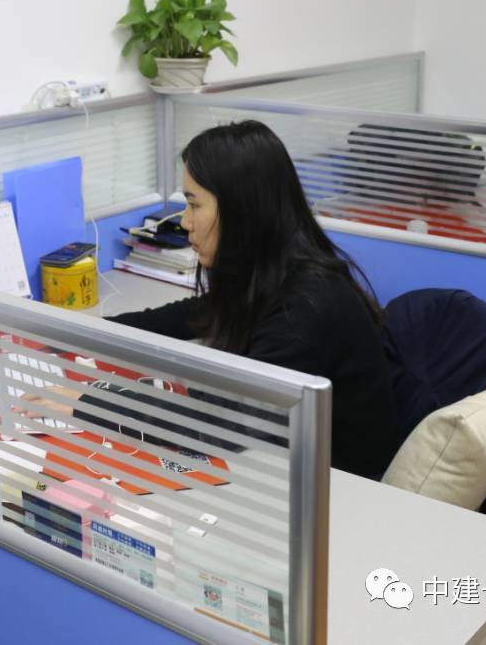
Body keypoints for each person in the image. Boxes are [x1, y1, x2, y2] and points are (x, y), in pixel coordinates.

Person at [103, 120, 401, 480]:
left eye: (194, 205)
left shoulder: (306, 304)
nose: (185, 222)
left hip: (336, 491)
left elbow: (224, 423)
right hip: (284, 464)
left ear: (241, 210)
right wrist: (89, 333)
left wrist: (87, 402)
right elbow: (192, 315)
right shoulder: (267, 274)